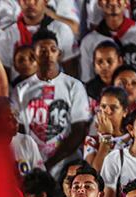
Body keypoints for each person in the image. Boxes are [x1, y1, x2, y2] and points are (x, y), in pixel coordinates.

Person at [11, 31, 90, 174]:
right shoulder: (21, 89)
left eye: (53, 50)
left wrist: (49, 164)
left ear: (59, 54)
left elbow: (79, 130)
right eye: (42, 50)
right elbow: (20, 131)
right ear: (34, 55)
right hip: (33, 165)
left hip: (66, 164)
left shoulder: (74, 85)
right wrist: (35, 162)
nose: (48, 55)